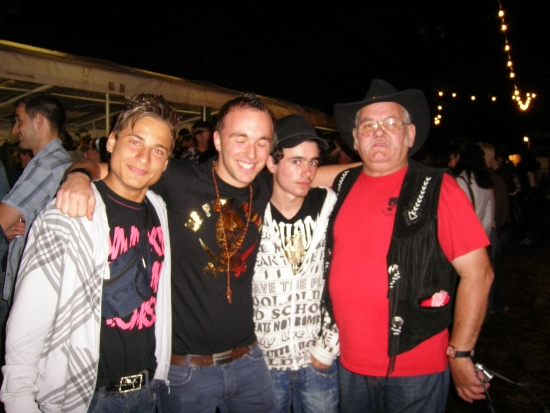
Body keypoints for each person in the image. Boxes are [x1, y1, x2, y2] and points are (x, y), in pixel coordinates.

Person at [323, 79, 494, 413]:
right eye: (368, 126)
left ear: (410, 135)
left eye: (391, 123)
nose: (379, 132)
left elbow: (480, 274)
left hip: (415, 367)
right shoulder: (343, 182)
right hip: (349, 362)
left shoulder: (437, 188)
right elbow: (290, 175)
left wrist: (460, 352)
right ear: (355, 139)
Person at [0, 94, 177, 413]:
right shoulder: (67, 215)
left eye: (157, 150)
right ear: (112, 142)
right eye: (135, 142)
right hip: (87, 399)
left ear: (166, 162)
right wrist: (18, 399)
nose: (143, 158)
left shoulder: (158, 209)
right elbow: (27, 322)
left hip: (147, 393)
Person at [254, 115, 339, 413]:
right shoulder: (249, 209)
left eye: (313, 162)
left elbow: (346, 276)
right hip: (262, 367)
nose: (308, 172)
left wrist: (328, 347)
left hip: (317, 362)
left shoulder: (330, 204)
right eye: (297, 161)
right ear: (271, 162)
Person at [0, 93, 72, 353]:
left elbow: (3, 218)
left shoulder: (48, 165)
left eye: (19, 121)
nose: (15, 129)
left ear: (39, 121)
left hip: (32, 298)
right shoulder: (48, 163)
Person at [448, 138, 495, 238]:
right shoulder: (485, 182)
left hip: (461, 239)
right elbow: (488, 219)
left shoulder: (457, 183)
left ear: (458, 157)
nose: (449, 164)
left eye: (450, 159)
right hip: (478, 239)